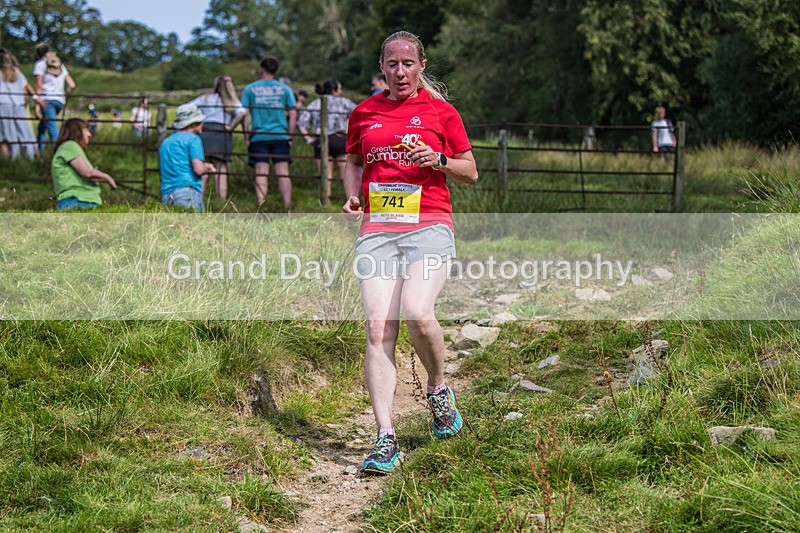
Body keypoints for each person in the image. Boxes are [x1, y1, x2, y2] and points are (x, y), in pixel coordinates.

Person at [343, 30, 478, 475]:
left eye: (408, 64)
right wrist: (353, 196)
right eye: (392, 64)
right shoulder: (363, 112)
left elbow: (470, 171)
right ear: (381, 67)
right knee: (379, 326)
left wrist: (436, 160)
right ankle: (385, 437)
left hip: (430, 223)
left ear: (421, 66)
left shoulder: (441, 111)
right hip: (379, 229)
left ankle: (437, 390)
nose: (400, 72)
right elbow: (352, 161)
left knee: (418, 312)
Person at [240, 56, 297, 207]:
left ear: (261, 70)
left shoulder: (250, 89)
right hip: (280, 135)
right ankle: (287, 204)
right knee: (283, 171)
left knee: (261, 171)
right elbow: (293, 114)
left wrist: (246, 136)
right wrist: (290, 135)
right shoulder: (285, 89)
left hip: (259, 136)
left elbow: (243, 115)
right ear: (275, 70)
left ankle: (261, 205)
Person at [187, 76, 248, 199]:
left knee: (203, 169)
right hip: (222, 135)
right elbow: (242, 112)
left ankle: (197, 201)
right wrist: (231, 126)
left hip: (204, 134)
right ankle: (221, 202)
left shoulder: (205, 98)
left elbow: (186, 107)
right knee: (221, 171)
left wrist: (194, 123)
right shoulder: (232, 101)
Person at [298, 79, 356, 200]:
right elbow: (360, 114)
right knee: (345, 175)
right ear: (334, 90)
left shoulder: (315, 103)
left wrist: (308, 139)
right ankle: (351, 202)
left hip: (321, 141)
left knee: (325, 176)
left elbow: (302, 123)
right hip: (341, 140)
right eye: (339, 89)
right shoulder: (344, 102)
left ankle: (325, 202)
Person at [159, 103, 216, 212]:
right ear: (193, 124)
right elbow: (198, 169)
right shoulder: (193, 139)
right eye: (200, 122)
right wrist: (207, 167)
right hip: (188, 193)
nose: (202, 124)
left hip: (166, 194)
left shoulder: (166, 142)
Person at [51, 118, 117, 210]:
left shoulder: (70, 148)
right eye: (86, 130)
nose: (89, 134)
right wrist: (108, 177)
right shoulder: (70, 145)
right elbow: (87, 173)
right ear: (77, 132)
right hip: (78, 201)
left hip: (82, 201)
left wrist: (107, 180)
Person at [33, 43, 76, 154]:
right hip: (59, 101)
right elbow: (72, 85)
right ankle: (39, 153)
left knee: (53, 130)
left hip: (47, 100)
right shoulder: (60, 65)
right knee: (43, 126)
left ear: (38, 54)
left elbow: (38, 86)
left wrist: (37, 105)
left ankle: (57, 156)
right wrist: (64, 97)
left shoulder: (40, 65)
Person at [0, 48, 37, 158]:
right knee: (24, 131)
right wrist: (34, 99)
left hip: (2, 105)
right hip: (18, 105)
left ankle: (10, 160)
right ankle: (30, 156)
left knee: (5, 135)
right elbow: (25, 88)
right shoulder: (16, 71)